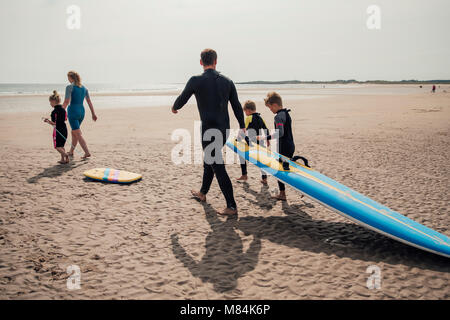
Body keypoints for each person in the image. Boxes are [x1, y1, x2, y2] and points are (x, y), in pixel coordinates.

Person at [171, 48, 246, 215]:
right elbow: (236, 106)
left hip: (208, 131)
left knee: (218, 167)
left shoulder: (196, 80)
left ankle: (231, 206)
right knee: (209, 161)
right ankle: (203, 193)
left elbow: (182, 98)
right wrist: (242, 126)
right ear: (216, 61)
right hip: (223, 130)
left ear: (200, 62)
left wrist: (174, 108)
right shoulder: (227, 81)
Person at [257, 92, 295, 201]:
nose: (270, 110)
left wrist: (265, 138)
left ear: (274, 105)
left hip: (284, 147)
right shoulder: (286, 113)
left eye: (270, 108)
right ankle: (284, 192)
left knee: (279, 171)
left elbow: (280, 133)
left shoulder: (278, 117)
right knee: (285, 169)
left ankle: (282, 194)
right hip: (290, 145)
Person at [62, 71, 97, 159]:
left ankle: (87, 152)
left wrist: (60, 111)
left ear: (71, 78)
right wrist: (93, 113)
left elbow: (66, 101)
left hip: (73, 111)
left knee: (77, 133)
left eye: (68, 78)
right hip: (81, 112)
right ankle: (71, 152)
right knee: (74, 132)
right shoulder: (84, 88)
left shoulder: (69, 87)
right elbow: (89, 101)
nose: (68, 80)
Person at [236, 100, 269, 185]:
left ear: (248, 110)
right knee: (262, 160)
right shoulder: (260, 118)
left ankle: (244, 174)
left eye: (245, 111)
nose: (245, 113)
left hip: (251, 142)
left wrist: (238, 138)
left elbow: (244, 129)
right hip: (260, 142)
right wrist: (267, 140)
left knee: (241, 154)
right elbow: (266, 129)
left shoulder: (248, 118)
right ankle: (264, 179)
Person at [43, 90, 69, 164]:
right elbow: (65, 119)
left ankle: (66, 155)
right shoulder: (63, 110)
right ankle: (63, 159)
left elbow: (54, 123)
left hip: (58, 130)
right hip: (64, 128)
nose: (50, 104)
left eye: (50, 102)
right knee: (61, 145)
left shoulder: (54, 112)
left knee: (57, 146)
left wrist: (47, 121)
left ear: (54, 101)